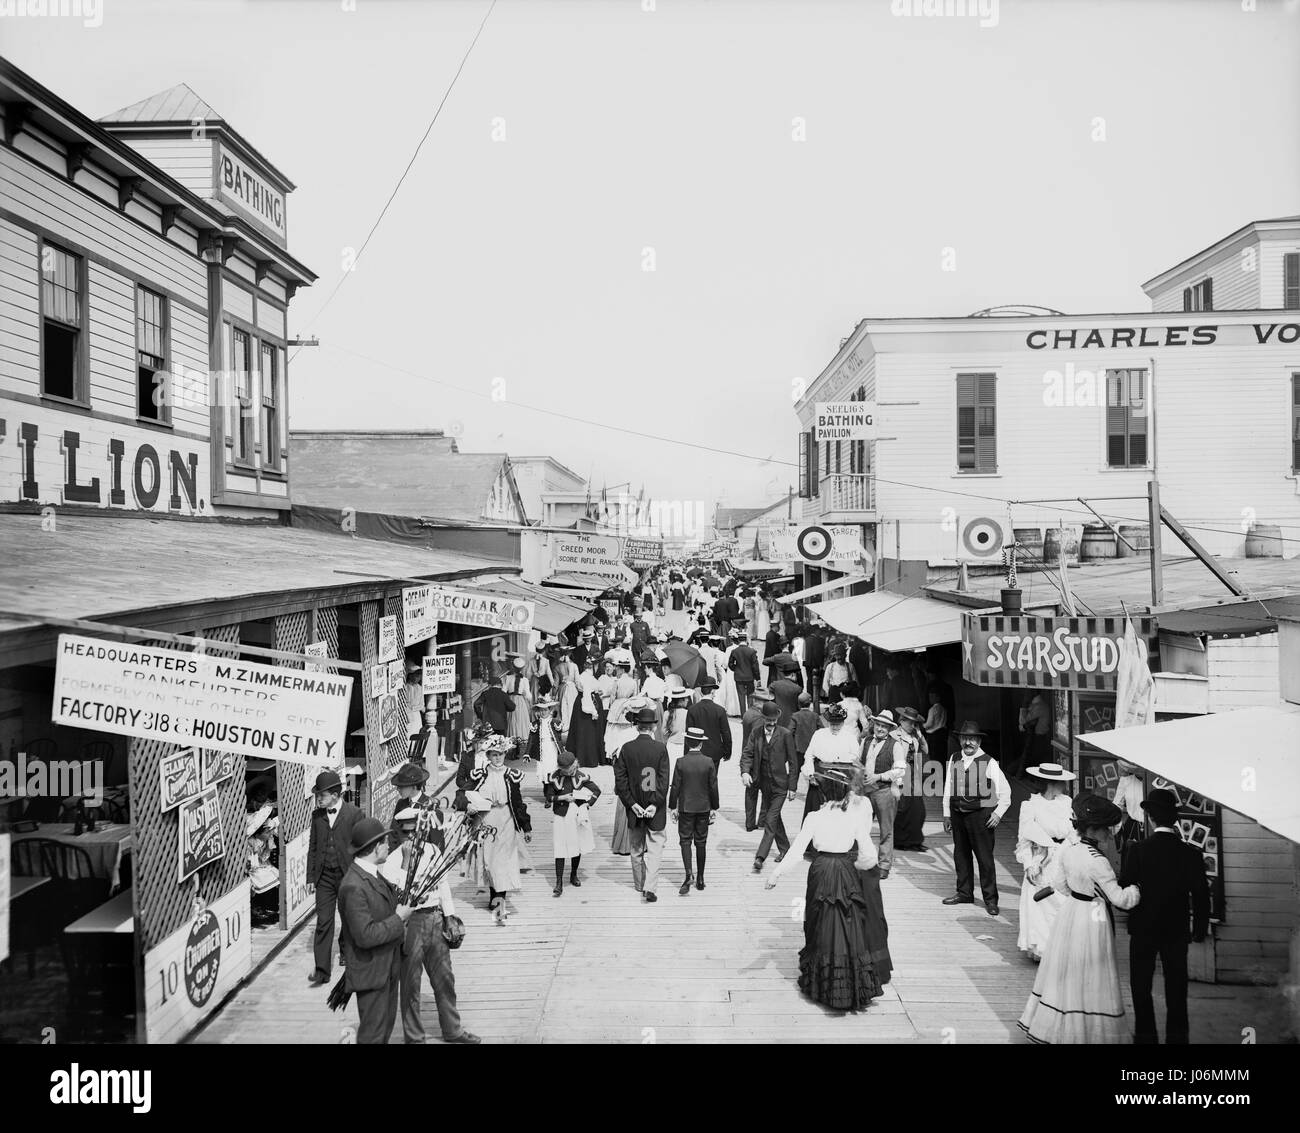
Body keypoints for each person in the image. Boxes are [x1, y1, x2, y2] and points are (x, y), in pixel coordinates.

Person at [1018, 794, 1141, 1044]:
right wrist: (1137, 889)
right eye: (1106, 830)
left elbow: (1060, 886)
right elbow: (1120, 899)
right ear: (1094, 830)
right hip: (1093, 921)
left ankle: (1058, 1025)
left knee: (1068, 970)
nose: (1109, 835)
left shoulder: (1070, 851)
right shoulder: (1099, 862)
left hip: (1070, 914)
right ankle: (1091, 1030)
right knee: (1093, 970)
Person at [765, 764, 885, 1011]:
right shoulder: (853, 817)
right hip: (846, 870)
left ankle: (823, 984)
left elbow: (797, 851)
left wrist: (776, 873)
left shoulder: (814, 817)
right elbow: (870, 856)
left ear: (824, 793)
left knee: (819, 922)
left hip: (821, 871)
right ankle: (851, 986)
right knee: (849, 925)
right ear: (845, 792)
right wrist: (858, 867)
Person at [1119, 787, 1211, 1045]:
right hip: (1176, 929)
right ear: (1174, 820)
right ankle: (1177, 1040)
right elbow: (1202, 895)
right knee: (1177, 988)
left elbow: (1125, 887)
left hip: (1143, 929)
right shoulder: (1191, 854)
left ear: (1150, 818)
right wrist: (1199, 929)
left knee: (1141, 986)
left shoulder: (1138, 850)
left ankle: (1146, 1039)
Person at [382, 807, 481, 1045]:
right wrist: (406, 861)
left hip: (435, 919)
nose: (412, 838)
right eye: (407, 834)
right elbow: (398, 894)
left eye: (416, 832)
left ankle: (453, 1030)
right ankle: (414, 1038)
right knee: (410, 984)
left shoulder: (434, 850)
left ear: (422, 831)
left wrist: (450, 916)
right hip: (411, 923)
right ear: (400, 834)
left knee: (445, 978)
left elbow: (444, 885)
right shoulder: (393, 859)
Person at [337, 817, 414, 1044]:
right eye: (386, 841)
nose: (389, 845)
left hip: (387, 967)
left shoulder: (372, 873)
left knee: (384, 1032)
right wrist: (399, 919)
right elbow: (365, 935)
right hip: (371, 973)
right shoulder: (353, 885)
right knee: (372, 1037)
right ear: (376, 847)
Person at [456, 736, 532, 924]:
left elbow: (518, 802)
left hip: (505, 820)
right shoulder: (479, 774)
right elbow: (461, 794)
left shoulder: (512, 775)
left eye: (500, 754)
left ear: (505, 755)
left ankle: (500, 904)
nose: (497, 758)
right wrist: (468, 806)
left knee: (503, 863)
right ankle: (494, 896)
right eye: (494, 755)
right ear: (488, 755)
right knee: (490, 862)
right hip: (486, 821)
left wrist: (526, 826)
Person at [940, 721, 1011, 915]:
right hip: (957, 814)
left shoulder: (989, 762)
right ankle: (964, 893)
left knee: (985, 859)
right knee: (961, 855)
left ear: (979, 741)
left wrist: (998, 814)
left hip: (980, 816)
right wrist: (946, 813)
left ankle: (991, 900)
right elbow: (948, 786)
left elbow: (1006, 792)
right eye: (964, 738)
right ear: (960, 740)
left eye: (972, 739)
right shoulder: (954, 758)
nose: (968, 743)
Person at [306, 770, 363, 987]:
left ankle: (347, 952)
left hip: (347, 875)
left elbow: (361, 847)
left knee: (348, 918)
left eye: (323, 794)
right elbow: (313, 847)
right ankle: (321, 971)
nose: (319, 798)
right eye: (318, 795)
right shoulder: (317, 816)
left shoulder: (354, 814)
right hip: (325, 878)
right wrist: (311, 877)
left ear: (336, 795)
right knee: (323, 922)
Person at [1015, 763, 1076, 962]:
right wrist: (1029, 863)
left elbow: (1073, 832)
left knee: (1063, 904)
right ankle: (1043, 950)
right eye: (1061, 782)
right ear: (1051, 783)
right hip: (1040, 858)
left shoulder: (1066, 802)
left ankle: (1061, 949)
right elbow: (1023, 841)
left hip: (1063, 857)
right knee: (1041, 906)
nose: (1065, 785)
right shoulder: (1030, 805)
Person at [614, 705, 671, 902]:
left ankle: (640, 884)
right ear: (653, 727)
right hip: (656, 809)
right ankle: (650, 887)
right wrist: (654, 804)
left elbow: (620, 782)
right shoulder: (660, 749)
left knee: (636, 849)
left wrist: (632, 804)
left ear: (637, 727)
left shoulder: (627, 749)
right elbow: (664, 781)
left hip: (635, 807)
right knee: (655, 849)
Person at [741, 701, 799, 873]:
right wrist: (745, 772)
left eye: (774, 720)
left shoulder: (785, 734)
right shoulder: (756, 733)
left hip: (780, 785)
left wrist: (793, 787)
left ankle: (760, 857)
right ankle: (786, 850)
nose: (772, 723)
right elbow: (747, 753)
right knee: (775, 818)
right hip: (764, 784)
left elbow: (794, 763)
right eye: (768, 720)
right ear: (763, 718)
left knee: (770, 819)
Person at [668, 727, 719, 896]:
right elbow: (713, 787)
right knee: (701, 842)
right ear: (701, 744)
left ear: (688, 742)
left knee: (685, 840)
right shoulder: (709, 762)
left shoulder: (681, 762)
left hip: (686, 807)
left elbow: (675, 786)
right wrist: (714, 807)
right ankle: (701, 878)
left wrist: (672, 806)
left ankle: (689, 873)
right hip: (703, 806)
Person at [544, 748, 601, 897]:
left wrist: (588, 804)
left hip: (576, 815)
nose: (567, 772)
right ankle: (558, 882)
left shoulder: (581, 776)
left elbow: (596, 791)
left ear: (574, 765)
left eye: (569, 769)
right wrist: (562, 798)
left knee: (577, 846)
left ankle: (574, 874)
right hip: (560, 815)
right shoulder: (554, 777)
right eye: (564, 770)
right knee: (560, 847)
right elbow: (549, 797)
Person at [861, 711, 905, 880]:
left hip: (884, 791)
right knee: (862, 828)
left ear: (889, 729)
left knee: (886, 830)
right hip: (865, 791)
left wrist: (879, 776)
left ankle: (884, 865)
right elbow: (858, 761)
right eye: (878, 725)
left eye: (884, 726)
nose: (880, 728)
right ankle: (864, 860)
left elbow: (900, 770)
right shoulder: (865, 741)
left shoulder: (895, 745)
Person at [800, 702, 858, 824]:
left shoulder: (850, 737)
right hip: (820, 778)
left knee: (840, 818)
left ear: (843, 722)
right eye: (832, 724)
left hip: (842, 781)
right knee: (817, 816)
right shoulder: (819, 734)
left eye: (838, 724)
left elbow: (855, 760)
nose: (835, 727)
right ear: (828, 722)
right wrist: (810, 775)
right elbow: (809, 755)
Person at [892, 706, 930, 852]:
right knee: (903, 808)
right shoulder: (894, 735)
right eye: (909, 722)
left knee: (918, 809)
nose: (912, 726)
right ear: (901, 721)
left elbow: (926, 750)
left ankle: (915, 841)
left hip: (913, 773)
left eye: (914, 723)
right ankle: (901, 841)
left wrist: (920, 734)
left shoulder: (914, 737)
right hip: (900, 772)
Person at [684, 677, 731, 768]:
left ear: (702, 691)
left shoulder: (692, 710)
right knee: (712, 780)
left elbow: (688, 733)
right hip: (715, 752)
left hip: (697, 752)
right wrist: (727, 752)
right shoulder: (720, 710)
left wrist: (686, 754)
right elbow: (726, 733)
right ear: (712, 691)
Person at [526, 697, 564, 805]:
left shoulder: (555, 722)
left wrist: (561, 750)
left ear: (550, 710)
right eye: (541, 710)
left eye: (546, 710)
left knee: (553, 771)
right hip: (542, 750)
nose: (543, 712)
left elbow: (559, 738)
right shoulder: (535, 724)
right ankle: (547, 796)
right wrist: (527, 753)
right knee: (544, 773)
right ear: (538, 711)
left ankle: (553, 795)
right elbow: (531, 739)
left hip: (552, 749)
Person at [602, 660, 640, 763]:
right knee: (626, 732)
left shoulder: (617, 682)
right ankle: (625, 754)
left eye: (618, 668)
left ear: (622, 669)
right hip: (628, 706)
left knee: (614, 731)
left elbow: (612, 697)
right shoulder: (633, 682)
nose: (617, 670)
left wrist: (611, 707)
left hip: (617, 706)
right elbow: (635, 697)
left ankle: (613, 754)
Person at [1111, 759, 1147, 859]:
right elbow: (1117, 805)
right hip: (1133, 827)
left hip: (1152, 827)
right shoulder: (1126, 780)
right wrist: (1115, 826)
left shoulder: (1155, 782)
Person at [1015, 692, 1051, 779]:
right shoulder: (1040, 705)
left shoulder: (1038, 707)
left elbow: (1023, 720)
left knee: (1033, 757)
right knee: (1032, 757)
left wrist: (1023, 707)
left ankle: (1026, 776)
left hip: (1040, 736)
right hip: (1040, 735)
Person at [728, 632, 760, 715]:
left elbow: (730, 664)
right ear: (746, 640)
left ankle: (743, 716)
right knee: (750, 696)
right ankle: (750, 715)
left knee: (741, 697)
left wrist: (736, 669)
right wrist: (757, 678)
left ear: (738, 640)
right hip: (749, 676)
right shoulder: (752, 651)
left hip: (739, 677)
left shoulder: (734, 651)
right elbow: (755, 666)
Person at [922, 688, 949, 772]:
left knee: (934, 757)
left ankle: (935, 779)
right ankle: (943, 777)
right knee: (942, 756)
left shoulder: (932, 709)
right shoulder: (944, 709)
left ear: (938, 697)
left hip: (934, 736)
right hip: (943, 735)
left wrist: (921, 725)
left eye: (932, 697)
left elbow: (929, 724)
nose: (930, 699)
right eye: (930, 697)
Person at [719, 635, 743, 717]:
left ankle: (732, 710)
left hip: (731, 672)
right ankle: (740, 710)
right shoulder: (741, 648)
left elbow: (725, 663)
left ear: (732, 640)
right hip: (740, 671)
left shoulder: (729, 649)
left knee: (731, 690)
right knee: (739, 691)